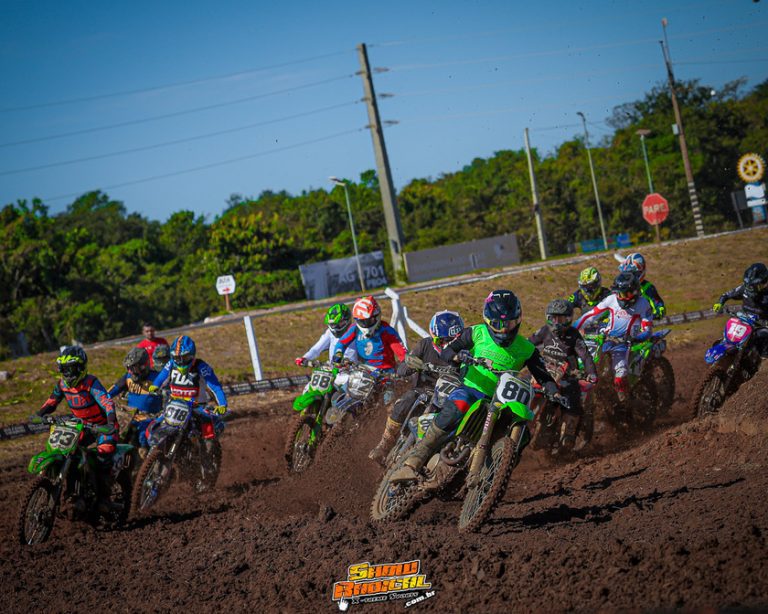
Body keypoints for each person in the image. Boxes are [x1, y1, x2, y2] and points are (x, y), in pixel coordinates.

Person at [390, 290, 558, 484]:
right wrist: (456, 356)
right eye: (497, 325)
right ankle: (413, 462)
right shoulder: (477, 332)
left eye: (509, 324)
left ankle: (494, 476)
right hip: (471, 389)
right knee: (456, 408)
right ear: (488, 321)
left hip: (502, 401)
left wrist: (552, 390)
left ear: (518, 320)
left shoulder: (526, 348)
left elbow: (544, 376)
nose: (503, 330)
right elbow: (448, 350)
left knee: (524, 435)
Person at [368, 310, 464, 465]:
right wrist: (412, 365)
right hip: (423, 391)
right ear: (434, 337)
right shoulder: (425, 345)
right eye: (442, 341)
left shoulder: (465, 354)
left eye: (452, 341)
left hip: (449, 397)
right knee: (406, 400)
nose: (447, 346)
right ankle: (384, 444)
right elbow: (402, 368)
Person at [37, 346, 118, 510]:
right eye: (63, 369)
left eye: (70, 368)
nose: (67, 373)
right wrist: (40, 413)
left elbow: (107, 402)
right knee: (68, 453)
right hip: (81, 425)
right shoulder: (62, 384)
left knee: (104, 454)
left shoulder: (91, 383)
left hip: (102, 426)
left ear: (80, 367)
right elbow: (52, 401)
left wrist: (110, 423)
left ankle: (104, 498)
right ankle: (73, 494)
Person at [529, 299, 597, 451]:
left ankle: (568, 436)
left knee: (573, 400)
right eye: (553, 318)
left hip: (567, 376)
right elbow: (528, 343)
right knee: (524, 387)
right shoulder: (544, 330)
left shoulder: (574, 336)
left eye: (561, 319)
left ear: (569, 319)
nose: (557, 322)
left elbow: (585, 356)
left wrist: (591, 373)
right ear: (548, 318)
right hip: (544, 371)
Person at [574, 272, 653, 402]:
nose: (620, 297)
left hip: (625, 344)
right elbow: (590, 316)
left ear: (634, 292)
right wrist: (572, 329)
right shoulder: (612, 299)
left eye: (624, 294)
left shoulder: (643, 304)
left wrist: (636, 338)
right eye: (618, 293)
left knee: (620, 377)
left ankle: (626, 402)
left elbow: (647, 329)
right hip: (605, 338)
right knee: (583, 363)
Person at [151, 335, 228, 452]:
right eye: (177, 358)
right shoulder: (171, 363)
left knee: (208, 429)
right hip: (174, 404)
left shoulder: (201, 367)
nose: (180, 361)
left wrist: (222, 404)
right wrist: (155, 386)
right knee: (154, 426)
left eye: (184, 357)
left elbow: (215, 387)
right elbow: (162, 376)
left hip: (197, 406)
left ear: (192, 355)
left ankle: (207, 455)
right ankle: (153, 452)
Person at [108, 347, 162, 458]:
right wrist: (99, 399)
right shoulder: (127, 377)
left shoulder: (158, 378)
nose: (131, 371)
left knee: (144, 438)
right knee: (113, 436)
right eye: (128, 368)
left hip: (150, 418)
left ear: (144, 365)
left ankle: (149, 467)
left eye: (134, 368)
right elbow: (109, 393)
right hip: (129, 418)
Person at [332, 296, 406, 371]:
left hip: (385, 374)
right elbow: (342, 342)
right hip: (362, 372)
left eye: (369, 321)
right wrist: (338, 355)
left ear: (376, 316)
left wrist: (406, 363)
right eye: (362, 322)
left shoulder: (387, 330)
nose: (365, 324)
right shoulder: (355, 329)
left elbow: (401, 353)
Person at [713, 262, 768, 357]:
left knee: (764, 338)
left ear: (763, 282)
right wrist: (719, 303)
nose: (751, 288)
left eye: (755, 285)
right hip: (743, 319)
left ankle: (761, 359)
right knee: (725, 334)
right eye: (749, 284)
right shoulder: (744, 289)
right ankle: (721, 349)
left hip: (761, 324)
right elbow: (726, 295)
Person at [294, 303, 358, 367]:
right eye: (332, 325)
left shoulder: (356, 331)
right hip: (334, 370)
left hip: (355, 372)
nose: (335, 327)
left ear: (346, 320)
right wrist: (305, 358)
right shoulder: (329, 332)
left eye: (339, 323)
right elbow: (317, 348)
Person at [619, 253, 666, 319]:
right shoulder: (619, 286)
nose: (629, 277)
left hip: (640, 324)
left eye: (633, 273)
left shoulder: (647, 287)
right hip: (620, 323)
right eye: (627, 273)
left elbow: (660, 308)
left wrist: (651, 315)